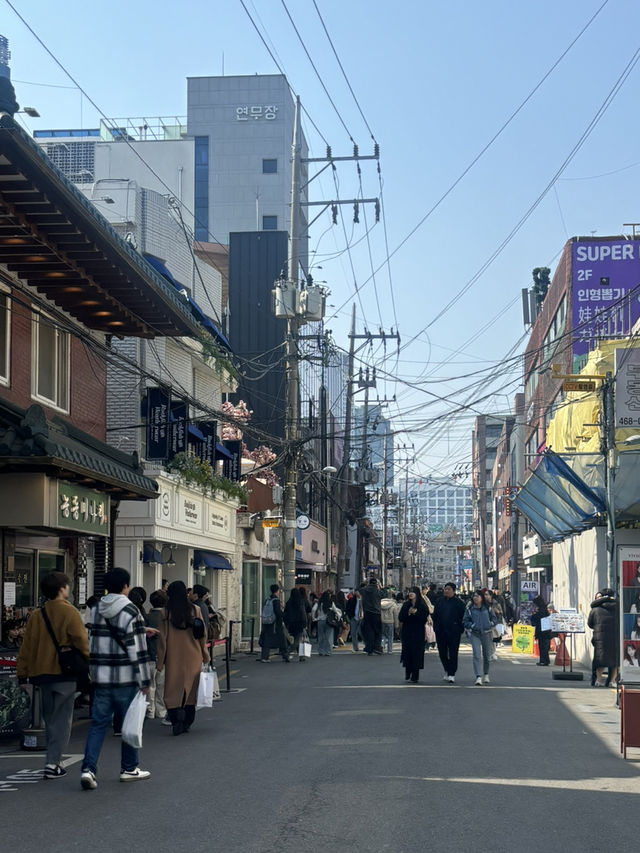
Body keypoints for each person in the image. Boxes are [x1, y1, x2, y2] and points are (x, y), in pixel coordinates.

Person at [80, 567, 152, 790]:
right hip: (126, 679)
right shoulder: (131, 610)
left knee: (98, 725)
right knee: (130, 723)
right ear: (125, 586)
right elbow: (137, 649)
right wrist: (145, 680)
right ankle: (129, 768)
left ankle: (88, 769)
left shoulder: (96, 610)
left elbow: (91, 643)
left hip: (101, 678)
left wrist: (93, 673)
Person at [17, 572, 89, 780]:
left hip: (41, 674)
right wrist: (89, 662)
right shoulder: (70, 612)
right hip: (64, 673)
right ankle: (53, 762)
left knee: (49, 718)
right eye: (67, 585)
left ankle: (52, 759)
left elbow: (27, 647)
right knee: (62, 719)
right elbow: (82, 642)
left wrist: (22, 673)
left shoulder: (36, 615)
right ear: (62, 588)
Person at [156, 581, 209, 735]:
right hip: (194, 654)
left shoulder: (165, 613)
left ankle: (176, 717)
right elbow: (202, 634)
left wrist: (160, 662)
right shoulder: (195, 610)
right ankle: (187, 719)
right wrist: (205, 655)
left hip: (174, 656)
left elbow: (162, 640)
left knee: (173, 687)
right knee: (190, 689)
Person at [432, 581, 465, 683]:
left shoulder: (459, 603)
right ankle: (447, 668)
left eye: (449, 589)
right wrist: (436, 627)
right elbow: (435, 615)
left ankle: (452, 673)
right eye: (445, 589)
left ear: (454, 591)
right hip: (441, 631)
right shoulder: (439, 601)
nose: (446, 591)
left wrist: (460, 628)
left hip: (454, 631)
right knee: (442, 653)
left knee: (453, 652)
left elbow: (463, 617)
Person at [587, 588, 619, 688]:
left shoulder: (595, 609)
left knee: (600, 659)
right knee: (614, 661)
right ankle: (612, 681)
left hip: (600, 638)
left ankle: (598, 680)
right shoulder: (617, 607)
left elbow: (590, 624)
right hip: (614, 637)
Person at [463, 590, 496, 685]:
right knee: (477, 655)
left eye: (477, 596)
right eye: (474, 596)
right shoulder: (470, 608)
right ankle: (478, 676)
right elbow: (465, 621)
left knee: (487, 656)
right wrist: (471, 625)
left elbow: (494, 618)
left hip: (486, 633)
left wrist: (490, 624)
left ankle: (486, 674)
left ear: (482, 598)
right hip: (475, 634)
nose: (475, 598)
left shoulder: (488, 608)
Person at [146, 590, 168, 723]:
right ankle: (161, 711)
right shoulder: (167, 618)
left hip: (149, 655)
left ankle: (150, 711)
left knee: (150, 686)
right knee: (161, 685)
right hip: (163, 656)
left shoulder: (146, 617)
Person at [398, 587, 428, 682]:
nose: (411, 594)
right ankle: (408, 672)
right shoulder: (406, 604)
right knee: (407, 652)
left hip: (418, 633)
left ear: (417, 594)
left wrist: (416, 613)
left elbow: (424, 618)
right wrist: (408, 613)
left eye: (413, 592)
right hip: (407, 632)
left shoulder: (422, 605)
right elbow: (401, 617)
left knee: (417, 654)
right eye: (410, 592)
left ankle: (415, 675)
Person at [258, 584, 289, 662]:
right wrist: (284, 615)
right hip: (275, 623)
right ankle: (285, 656)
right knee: (282, 639)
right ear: (277, 591)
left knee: (267, 639)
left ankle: (264, 657)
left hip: (266, 622)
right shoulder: (276, 600)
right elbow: (278, 612)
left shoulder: (267, 600)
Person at [283, 588, 309, 661]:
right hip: (299, 623)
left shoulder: (288, 602)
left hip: (291, 624)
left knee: (297, 639)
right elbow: (303, 613)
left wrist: (286, 623)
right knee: (297, 640)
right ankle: (287, 652)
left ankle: (301, 656)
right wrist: (305, 623)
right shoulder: (300, 602)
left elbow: (285, 614)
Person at [360, 576, 383, 655]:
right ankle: (377, 648)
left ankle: (369, 648)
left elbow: (358, 589)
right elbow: (385, 594)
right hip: (377, 613)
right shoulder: (378, 591)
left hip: (367, 613)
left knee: (368, 631)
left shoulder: (364, 590)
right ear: (376, 583)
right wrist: (380, 586)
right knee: (378, 631)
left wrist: (364, 583)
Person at [317, 590, 341, 656]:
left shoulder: (320, 602)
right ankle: (328, 651)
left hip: (320, 621)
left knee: (321, 636)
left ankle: (321, 651)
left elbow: (314, 610)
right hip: (329, 621)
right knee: (329, 637)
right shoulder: (330, 603)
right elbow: (336, 611)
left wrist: (315, 618)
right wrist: (338, 618)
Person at [530, 595, 552, 666]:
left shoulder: (541, 610)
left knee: (542, 646)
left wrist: (533, 615)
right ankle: (546, 660)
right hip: (546, 630)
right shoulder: (545, 609)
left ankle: (543, 661)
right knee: (545, 646)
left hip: (542, 631)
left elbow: (538, 618)